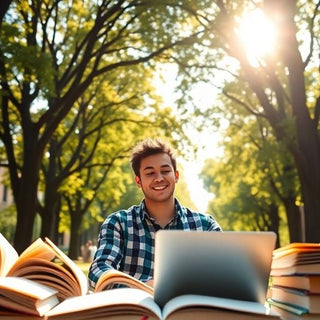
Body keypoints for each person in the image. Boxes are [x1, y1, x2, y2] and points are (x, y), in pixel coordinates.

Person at [88, 138, 222, 289]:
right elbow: (99, 271)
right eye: (150, 173)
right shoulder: (118, 223)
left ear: (176, 176)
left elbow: (224, 273)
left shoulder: (206, 226)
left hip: (189, 311)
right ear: (138, 181)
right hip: (134, 310)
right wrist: (141, 288)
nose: (159, 178)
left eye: (165, 171)